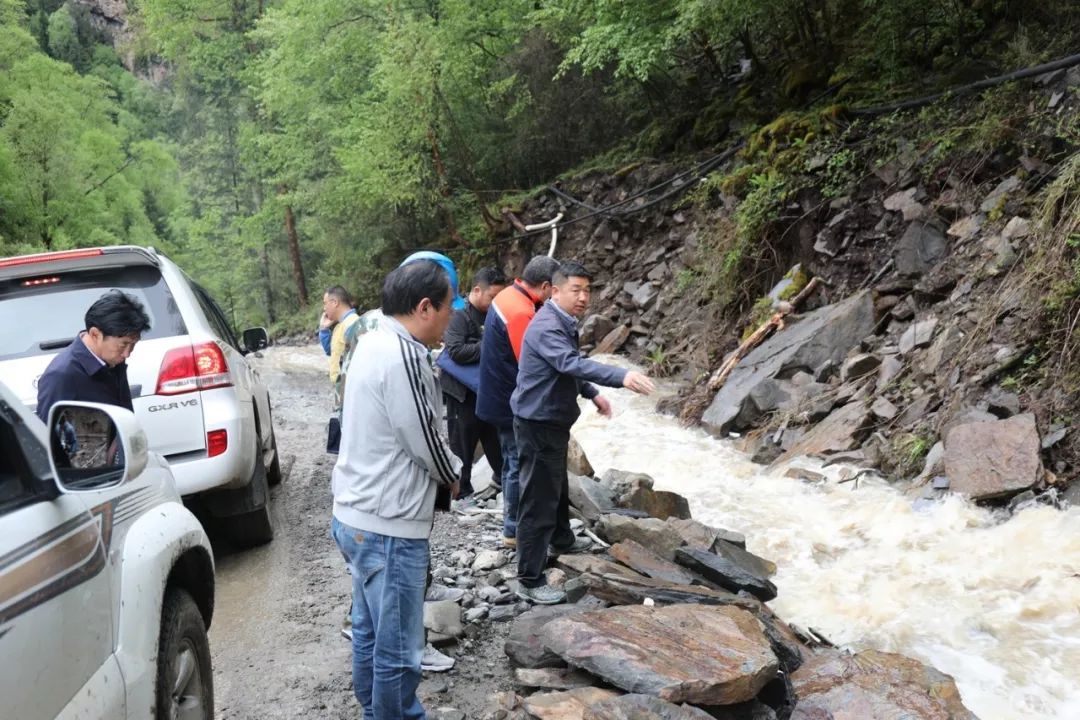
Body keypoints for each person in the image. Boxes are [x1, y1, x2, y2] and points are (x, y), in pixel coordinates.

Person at [331, 260, 463, 720]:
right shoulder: (404, 354)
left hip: (355, 512)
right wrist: (454, 471)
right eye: (449, 307)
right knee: (400, 649)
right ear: (425, 307)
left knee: (368, 629)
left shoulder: (370, 340)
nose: (452, 317)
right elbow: (423, 437)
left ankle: (373, 709)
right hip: (387, 525)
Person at [511, 261, 655, 605]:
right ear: (554, 290)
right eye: (575, 290)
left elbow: (566, 369)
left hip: (552, 420)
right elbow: (569, 363)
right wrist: (620, 377)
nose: (583, 297)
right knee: (538, 500)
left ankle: (562, 538)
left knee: (556, 486)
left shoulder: (562, 320)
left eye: (587, 290)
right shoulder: (547, 325)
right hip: (538, 423)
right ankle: (528, 579)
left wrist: (592, 394)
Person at [476, 256, 560, 548]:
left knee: (512, 462)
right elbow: (530, 360)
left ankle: (513, 526)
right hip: (506, 400)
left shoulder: (509, 295)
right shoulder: (520, 311)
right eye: (556, 290)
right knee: (515, 463)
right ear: (546, 286)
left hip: (495, 392)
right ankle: (513, 530)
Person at [438, 267, 507, 505]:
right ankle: (459, 495)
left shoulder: (495, 315)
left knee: (495, 440)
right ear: (477, 291)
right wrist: (490, 346)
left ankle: (503, 483)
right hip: (462, 394)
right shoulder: (459, 316)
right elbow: (455, 351)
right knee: (462, 446)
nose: (497, 303)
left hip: (487, 392)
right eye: (493, 297)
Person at [37, 290, 151, 423]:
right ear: (95, 334)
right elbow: (49, 434)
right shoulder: (61, 375)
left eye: (133, 344)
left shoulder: (112, 359)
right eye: (123, 345)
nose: (127, 353)